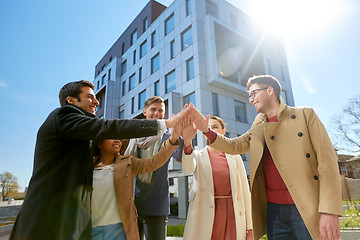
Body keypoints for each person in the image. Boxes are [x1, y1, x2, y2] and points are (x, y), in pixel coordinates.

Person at [10, 80, 189, 240]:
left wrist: (175, 139)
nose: (96, 102)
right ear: (71, 101)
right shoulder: (63, 115)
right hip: (46, 217)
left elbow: (153, 162)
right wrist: (165, 123)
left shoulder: (117, 158)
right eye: (90, 97)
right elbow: (105, 127)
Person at [190, 75, 342, 240]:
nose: (251, 99)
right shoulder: (258, 127)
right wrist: (206, 130)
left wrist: (329, 211)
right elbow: (234, 146)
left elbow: (328, 164)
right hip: (274, 211)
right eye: (249, 95)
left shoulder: (305, 115)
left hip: (307, 207)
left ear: (270, 90)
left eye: (253, 93)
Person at [91, 120, 182, 240]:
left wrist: (172, 139)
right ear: (99, 143)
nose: (117, 140)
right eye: (112, 136)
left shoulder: (129, 163)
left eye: (119, 137)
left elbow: (155, 162)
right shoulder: (87, 167)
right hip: (92, 229)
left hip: (119, 229)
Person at [181, 115, 253, 240]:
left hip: (234, 214)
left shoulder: (235, 156)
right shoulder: (198, 155)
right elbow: (187, 169)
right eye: (207, 128)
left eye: (215, 127)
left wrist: (250, 228)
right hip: (207, 215)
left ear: (223, 131)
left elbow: (245, 192)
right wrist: (187, 142)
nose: (211, 130)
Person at [124, 96, 183, 240]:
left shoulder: (170, 136)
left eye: (161, 111)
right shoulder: (133, 136)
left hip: (157, 205)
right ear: (145, 111)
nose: (157, 113)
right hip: (133, 202)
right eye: (153, 110)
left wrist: (185, 139)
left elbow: (180, 157)